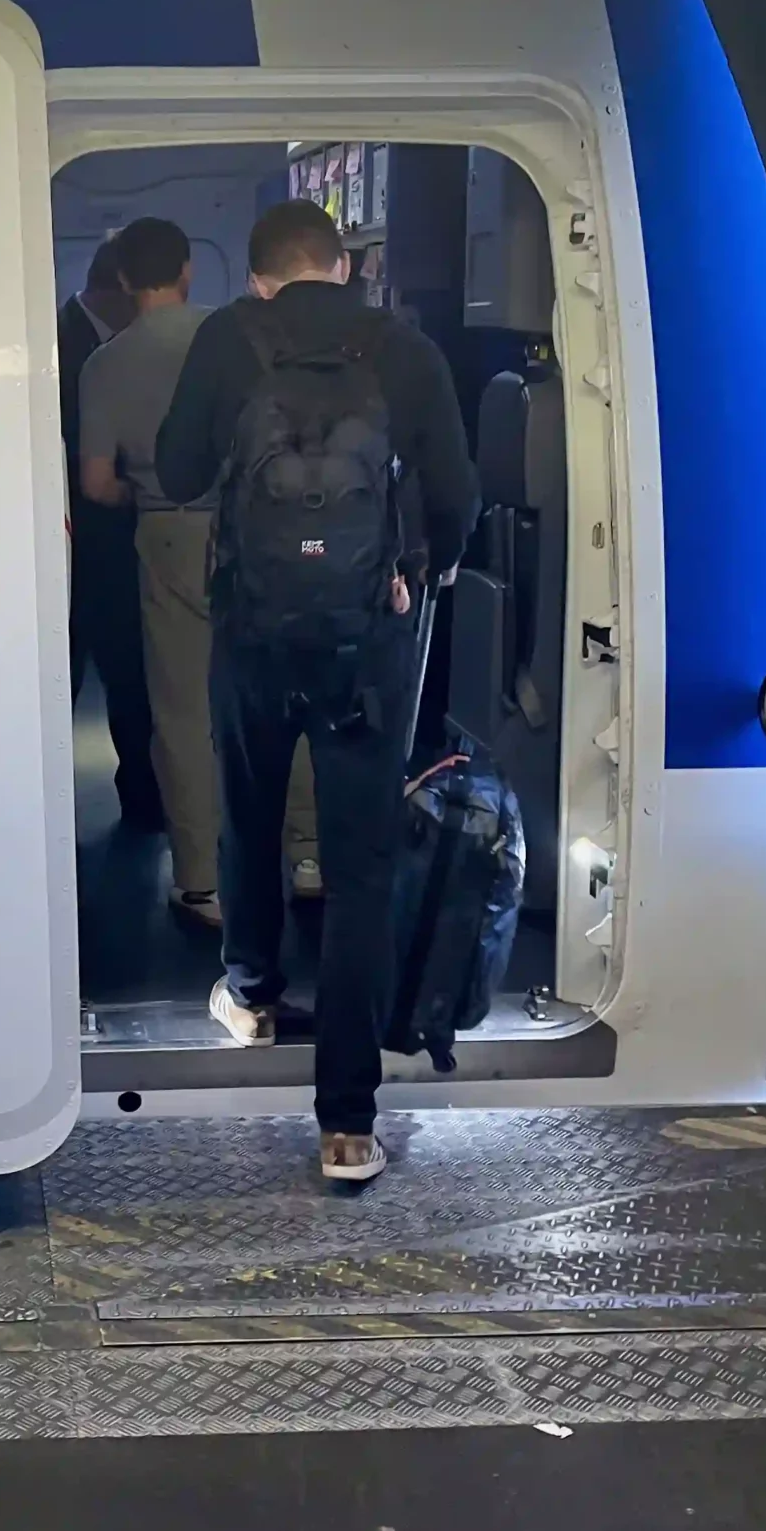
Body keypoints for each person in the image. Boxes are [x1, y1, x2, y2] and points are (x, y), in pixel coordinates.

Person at [155, 198, 479, 1186]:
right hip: (367, 643)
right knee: (360, 866)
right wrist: (425, 574)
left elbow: (176, 469)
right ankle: (347, 1124)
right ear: (342, 265)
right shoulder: (402, 347)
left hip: (252, 631)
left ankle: (250, 993)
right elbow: (456, 492)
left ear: (259, 277)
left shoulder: (227, 337)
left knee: (248, 819)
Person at [77, 217, 220, 924]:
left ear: (125, 281)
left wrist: (149, 494)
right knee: (284, 692)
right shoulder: (237, 341)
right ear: (189, 268)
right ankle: (306, 855)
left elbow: (97, 483)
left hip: (169, 535)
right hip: (265, 532)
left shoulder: (105, 364)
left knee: (183, 709)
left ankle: (202, 881)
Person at [58, 238, 162, 830]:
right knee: (65, 677)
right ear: (124, 287)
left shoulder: (113, 346)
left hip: (117, 543)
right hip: (77, 537)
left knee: (130, 679)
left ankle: (143, 802)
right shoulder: (62, 341)